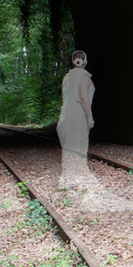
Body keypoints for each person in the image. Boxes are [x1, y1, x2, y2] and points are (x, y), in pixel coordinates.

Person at [57, 49, 96, 190]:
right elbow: (83, 97)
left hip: (65, 116)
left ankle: (67, 180)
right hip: (78, 116)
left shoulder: (67, 77)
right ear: (85, 62)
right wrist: (90, 118)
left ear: (73, 62)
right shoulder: (84, 77)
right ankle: (79, 181)